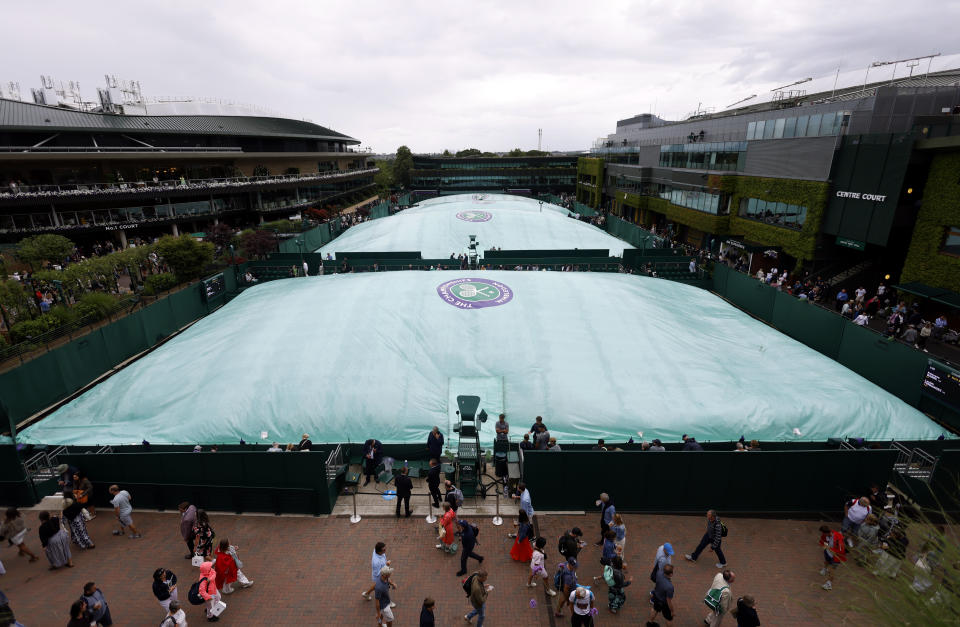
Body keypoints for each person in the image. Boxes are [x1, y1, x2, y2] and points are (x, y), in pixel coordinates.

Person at [818, 524, 846, 590]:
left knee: (831, 570)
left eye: (823, 533)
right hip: (828, 553)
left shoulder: (838, 537)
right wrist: (825, 547)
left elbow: (841, 550)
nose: (822, 535)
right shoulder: (825, 535)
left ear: (826, 532)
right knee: (826, 561)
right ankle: (825, 569)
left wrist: (829, 548)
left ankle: (829, 584)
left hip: (836, 557)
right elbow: (822, 541)